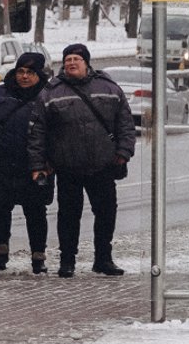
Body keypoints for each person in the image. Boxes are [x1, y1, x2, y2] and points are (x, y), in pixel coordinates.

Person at [28, 43, 136, 278]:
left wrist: (124, 152)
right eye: (67, 60)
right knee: (68, 216)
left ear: (87, 62)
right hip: (68, 167)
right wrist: (38, 165)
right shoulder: (51, 92)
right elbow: (37, 132)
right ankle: (67, 261)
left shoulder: (108, 87)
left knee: (106, 213)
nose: (71, 63)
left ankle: (103, 259)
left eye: (76, 59)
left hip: (104, 165)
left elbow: (125, 124)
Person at [0, 51, 54, 274]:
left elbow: (56, 132)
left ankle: (38, 255)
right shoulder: (0, 92)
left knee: (36, 211)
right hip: (1, 163)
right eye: (20, 71)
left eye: (30, 72)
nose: (24, 76)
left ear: (39, 74)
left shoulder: (48, 95)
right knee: (0, 209)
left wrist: (50, 161)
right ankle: (1, 251)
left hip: (35, 164)